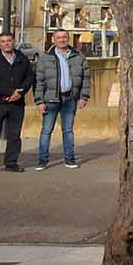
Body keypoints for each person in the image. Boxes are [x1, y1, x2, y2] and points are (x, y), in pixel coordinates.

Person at [32, 29, 90, 170]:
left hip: (70, 99)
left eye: (64, 37)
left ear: (68, 39)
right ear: (53, 40)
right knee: (46, 130)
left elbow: (86, 79)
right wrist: (39, 101)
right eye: (58, 37)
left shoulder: (79, 56)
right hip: (50, 99)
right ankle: (42, 160)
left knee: (68, 130)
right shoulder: (45, 58)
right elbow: (39, 81)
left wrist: (84, 97)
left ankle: (69, 159)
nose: (62, 40)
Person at [0, 32, 32, 174]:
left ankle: (11, 162)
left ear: (13, 41)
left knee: (14, 135)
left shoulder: (22, 58)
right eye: (3, 41)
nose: (6, 43)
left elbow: (29, 77)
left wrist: (20, 92)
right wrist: (9, 93)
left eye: (9, 41)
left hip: (17, 104)